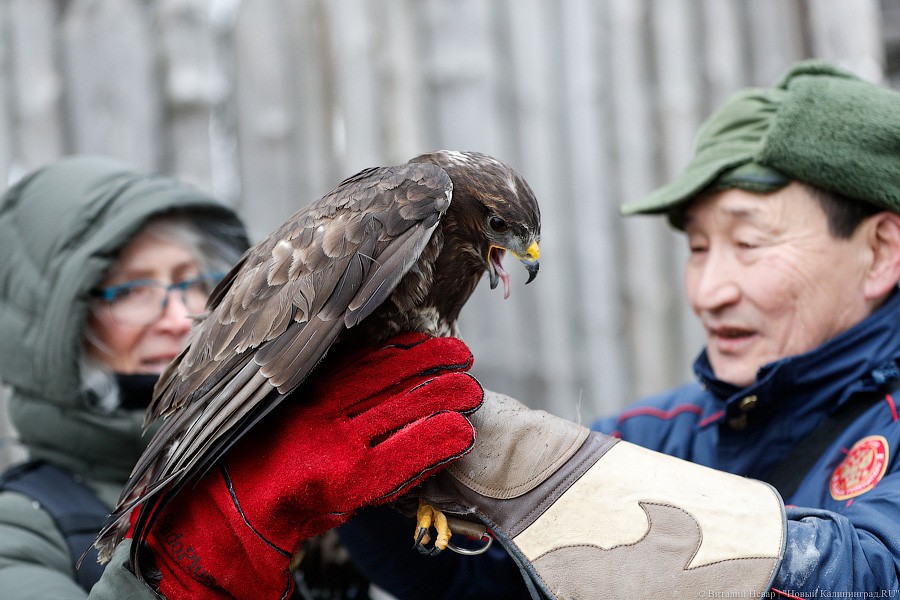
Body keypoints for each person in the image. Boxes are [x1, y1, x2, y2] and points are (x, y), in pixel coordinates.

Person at [335, 60, 900, 598]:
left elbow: (875, 574)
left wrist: (530, 465)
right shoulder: (660, 435)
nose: (708, 293)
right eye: (698, 248)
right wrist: (361, 477)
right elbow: (483, 580)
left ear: (879, 252)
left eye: (749, 244)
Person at [0, 155, 487, 600]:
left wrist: (393, 516)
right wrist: (184, 570)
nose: (178, 315)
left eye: (192, 281)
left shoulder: (322, 450)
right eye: (130, 291)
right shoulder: (20, 530)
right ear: (59, 325)